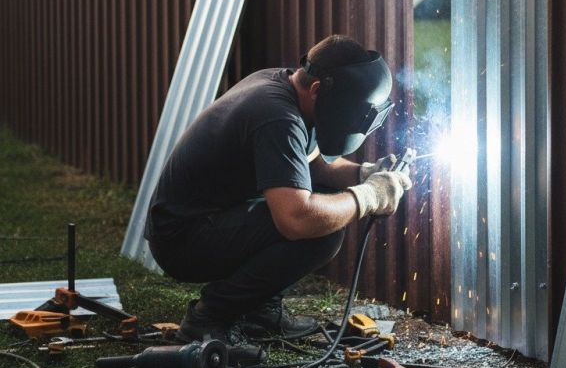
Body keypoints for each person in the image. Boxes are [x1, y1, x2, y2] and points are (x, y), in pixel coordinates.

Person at [144, 35, 411, 347]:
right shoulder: (277, 117)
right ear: (317, 90)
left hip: (205, 219)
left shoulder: (285, 86)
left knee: (321, 196)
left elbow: (313, 167)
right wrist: (370, 196)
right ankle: (208, 318)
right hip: (182, 240)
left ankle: (259, 311)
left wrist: (364, 173)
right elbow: (296, 220)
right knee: (321, 231)